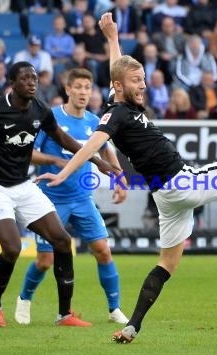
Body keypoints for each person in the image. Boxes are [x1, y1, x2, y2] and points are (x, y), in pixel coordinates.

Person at [36, 12, 217, 344]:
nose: (142, 84)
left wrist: (113, 38)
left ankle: (132, 326)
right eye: (137, 81)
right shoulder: (115, 115)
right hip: (183, 183)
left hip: (167, 199)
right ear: (119, 86)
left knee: (167, 264)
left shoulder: (121, 103)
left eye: (143, 78)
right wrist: (64, 173)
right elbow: (90, 148)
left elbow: (119, 73)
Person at [0, 62, 116, 328]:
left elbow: (62, 138)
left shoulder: (40, 110)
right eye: (25, 78)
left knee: (62, 240)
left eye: (34, 78)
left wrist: (96, 161)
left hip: (23, 185)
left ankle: (64, 314)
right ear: (12, 84)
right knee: (12, 248)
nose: (32, 82)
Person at [14, 68, 130, 326]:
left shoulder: (93, 121)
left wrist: (119, 179)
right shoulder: (50, 117)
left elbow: (106, 149)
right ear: (68, 89)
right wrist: (54, 160)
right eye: (77, 87)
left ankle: (115, 309)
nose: (82, 92)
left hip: (82, 198)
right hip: (50, 200)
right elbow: (29, 152)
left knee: (103, 251)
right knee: (45, 260)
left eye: (87, 88)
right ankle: (24, 299)